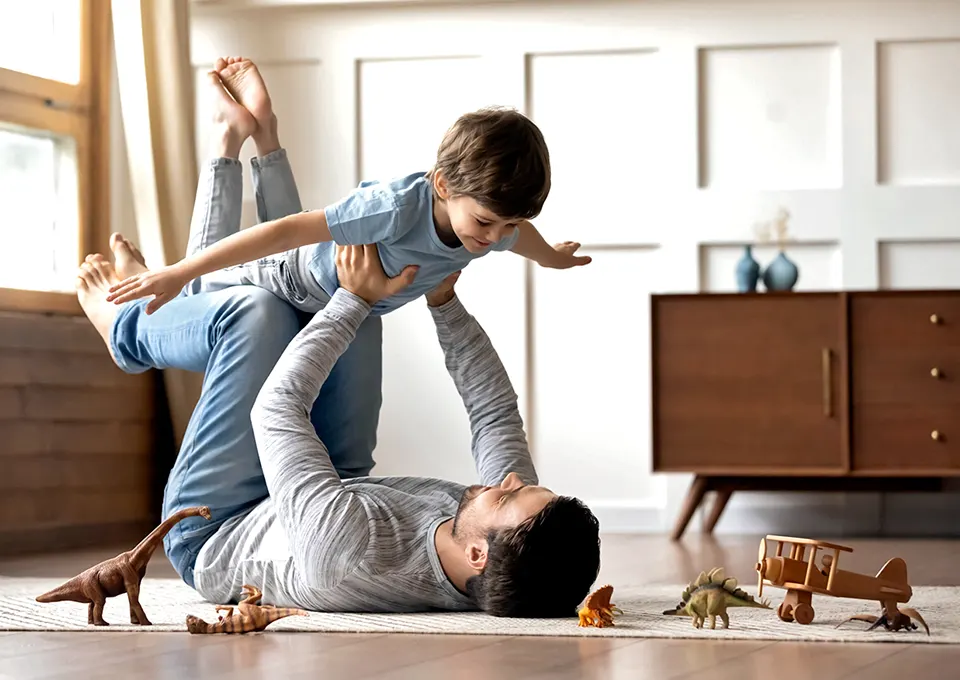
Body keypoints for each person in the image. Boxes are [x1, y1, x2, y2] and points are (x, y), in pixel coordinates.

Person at [75, 228, 601, 619]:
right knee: (348, 304)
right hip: (335, 487)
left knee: (259, 314)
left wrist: (354, 300)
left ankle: (124, 327)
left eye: (508, 497)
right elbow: (493, 412)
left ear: (478, 554)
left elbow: (275, 410)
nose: (507, 481)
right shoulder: (500, 535)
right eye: (522, 485)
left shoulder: (349, 557)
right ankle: (165, 293)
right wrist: (443, 301)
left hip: (219, 523)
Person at [105, 56, 591, 318]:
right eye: (486, 222)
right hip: (291, 278)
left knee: (298, 239)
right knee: (195, 291)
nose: (493, 237)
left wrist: (551, 256)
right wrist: (179, 272)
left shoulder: (492, 223)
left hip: (319, 281)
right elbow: (287, 233)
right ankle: (227, 137)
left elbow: (519, 238)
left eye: (507, 224)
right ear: (442, 185)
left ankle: (264, 129)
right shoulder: (396, 209)